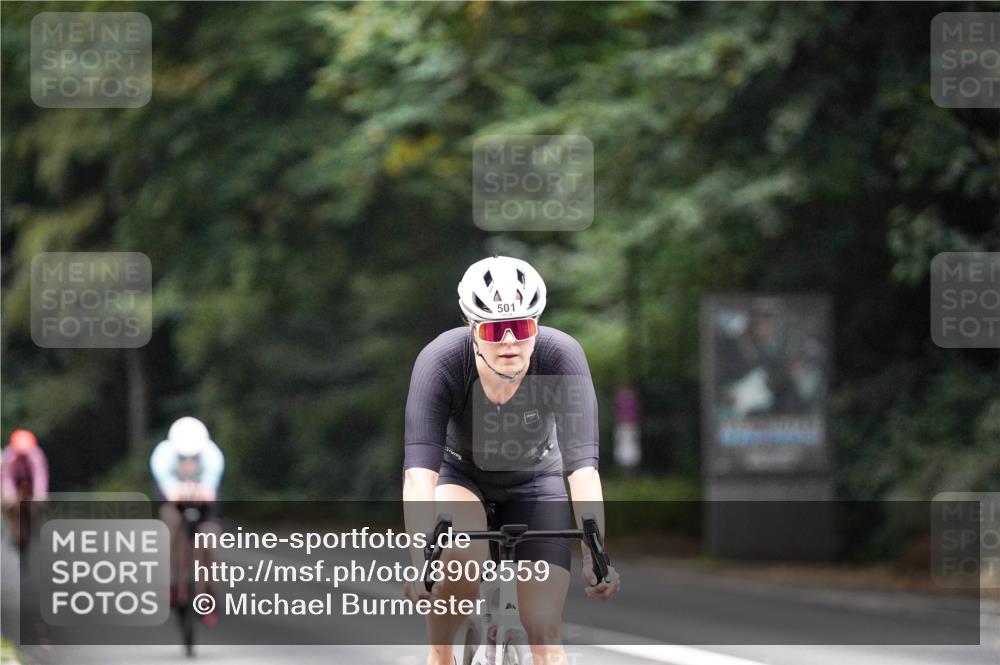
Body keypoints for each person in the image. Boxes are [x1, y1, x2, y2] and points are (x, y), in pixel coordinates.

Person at [402, 256, 620, 665]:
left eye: (520, 328)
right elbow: (418, 478)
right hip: (461, 476)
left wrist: (597, 556)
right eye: (493, 330)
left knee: (544, 634)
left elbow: (584, 472)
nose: (508, 342)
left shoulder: (561, 358)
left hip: (536, 482)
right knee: (461, 562)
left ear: (535, 327)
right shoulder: (441, 362)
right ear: (472, 330)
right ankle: (441, 656)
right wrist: (420, 567)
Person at [151, 416, 224, 626]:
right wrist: (176, 491)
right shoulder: (163, 454)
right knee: (170, 525)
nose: (189, 463)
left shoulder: (212, 454)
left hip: (204, 506)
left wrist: (204, 490)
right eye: (184, 459)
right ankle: (172, 582)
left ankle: (207, 594)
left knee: (209, 539)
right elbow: (167, 486)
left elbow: (211, 485)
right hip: (174, 502)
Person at [1, 429, 49, 549]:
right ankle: (15, 532)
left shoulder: (36, 455)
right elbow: (7, 478)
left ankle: (39, 529)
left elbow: (40, 475)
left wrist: (39, 495)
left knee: (39, 505)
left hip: (32, 487)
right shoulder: (9, 455)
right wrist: (9, 496)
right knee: (9, 506)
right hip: (16, 488)